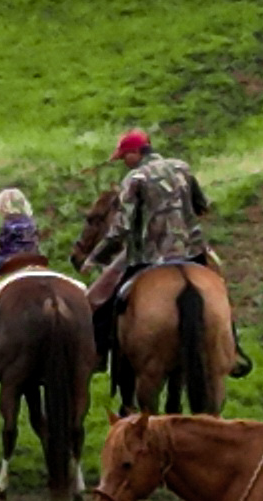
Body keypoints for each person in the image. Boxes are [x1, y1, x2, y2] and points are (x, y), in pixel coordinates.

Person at [88, 127, 212, 356]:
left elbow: (121, 227)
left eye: (124, 157)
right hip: (192, 251)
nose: (124, 162)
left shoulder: (135, 178)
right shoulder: (181, 167)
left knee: (108, 301)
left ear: (135, 153)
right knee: (218, 290)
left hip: (150, 257)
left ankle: (99, 351)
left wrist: (98, 256)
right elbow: (202, 205)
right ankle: (233, 348)